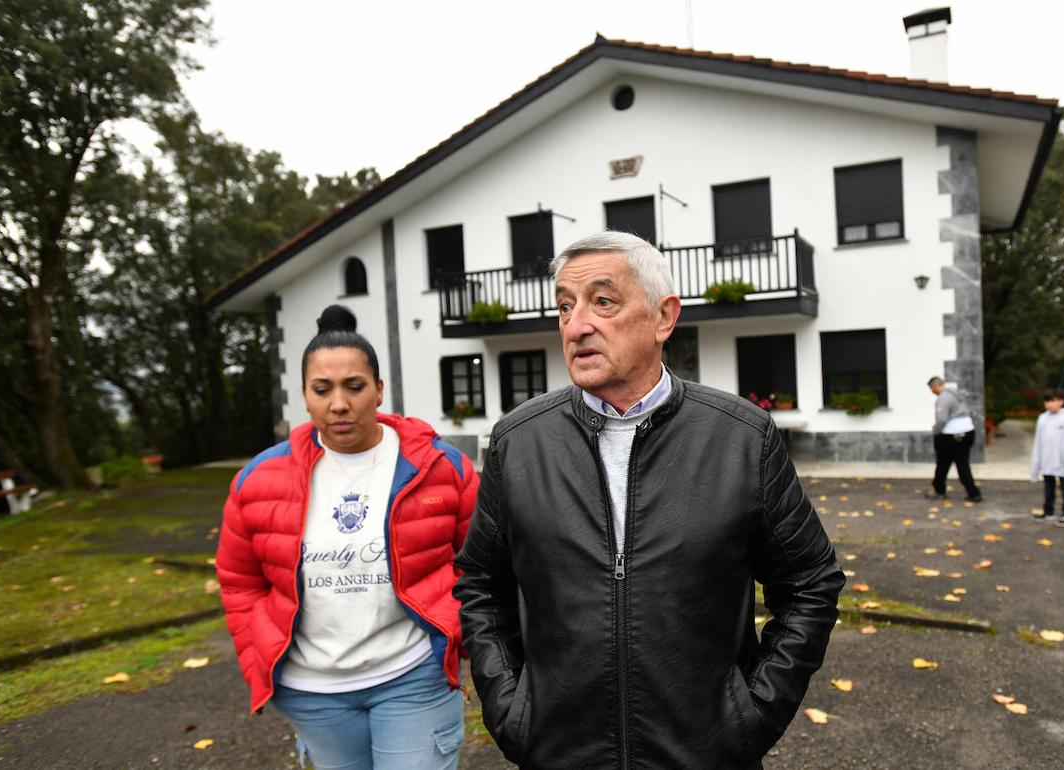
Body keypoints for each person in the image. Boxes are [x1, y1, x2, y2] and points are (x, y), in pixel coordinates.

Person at [454, 232, 844, 768]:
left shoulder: (741, 437)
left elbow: (809, 583)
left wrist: (751, 714)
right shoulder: (519, 443)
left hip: (704, 754)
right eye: (565, 306)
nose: (577, 325)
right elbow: (480, 585)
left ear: (663, 317)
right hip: (560, 753)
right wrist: (513, 711)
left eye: (603, 301)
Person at [216, 305, 477, 770]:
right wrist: (256, 650)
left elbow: (480, 563)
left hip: (412, 676)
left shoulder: (440, 468)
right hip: (313, 692)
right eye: (323, 390)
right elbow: (239, 581)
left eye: (354, 387)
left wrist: (456, 632)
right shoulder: (257, 480)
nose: (339, 403)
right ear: (305, 396)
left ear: (378, 389)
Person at [1029, 389, 1064, 527]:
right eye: (1047, 401)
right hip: (1047, 460)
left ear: (1061, 401)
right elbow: (1038, 441)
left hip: (1063, 461)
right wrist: (1037, 462)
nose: (1050, 404)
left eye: (1053, 401)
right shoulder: (1043, 418)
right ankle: (1048, 511)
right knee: (1048, 487)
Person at [926, 376, 982, 502]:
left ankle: (939, 490)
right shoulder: (959, 395)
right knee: (963, 464)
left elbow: (942, 420)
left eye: (931, 389)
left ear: (935, 386)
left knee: (943, 464)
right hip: (967, 432)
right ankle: (973, 493)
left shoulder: (943, 398)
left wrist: (935, 432)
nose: (932, 392)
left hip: (949, 435)